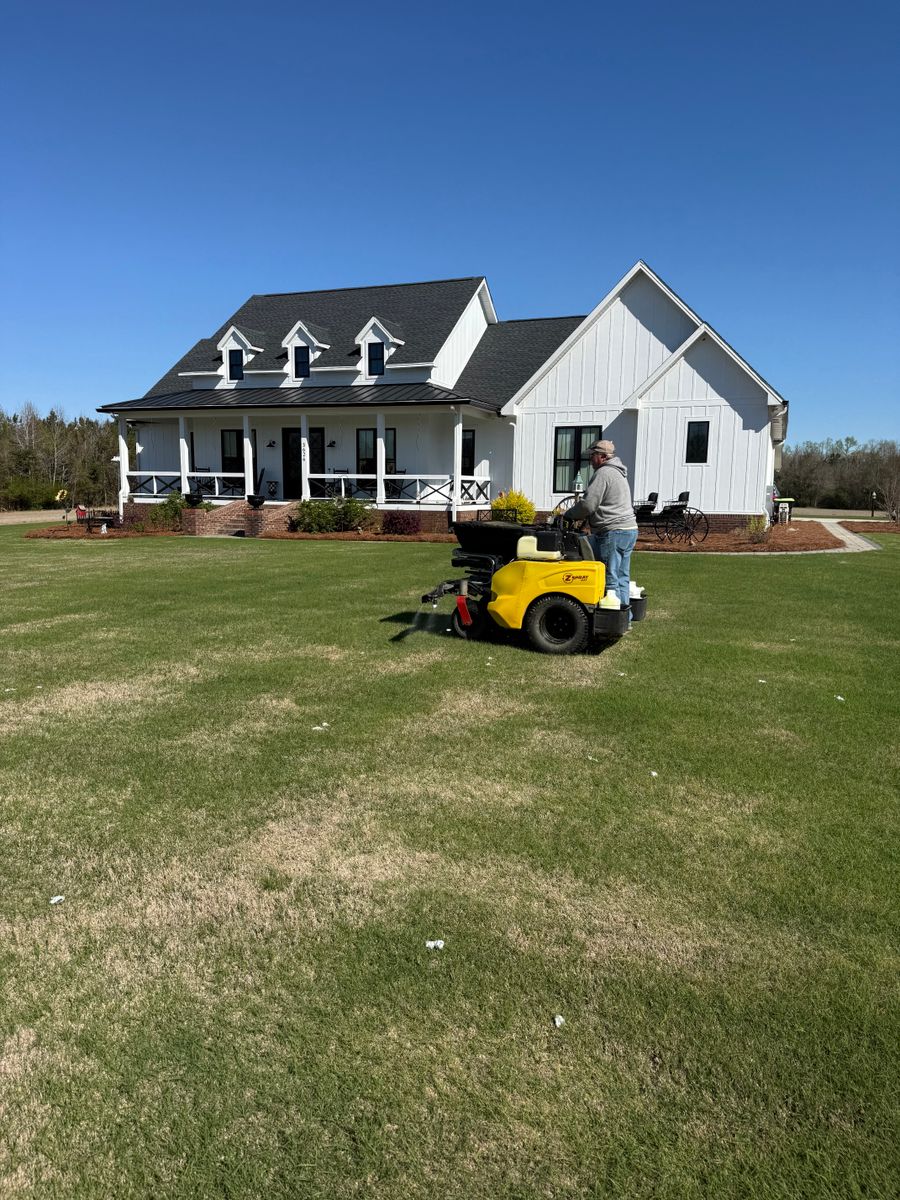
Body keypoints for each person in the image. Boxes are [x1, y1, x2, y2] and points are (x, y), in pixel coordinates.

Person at [563, 439, 638, 621]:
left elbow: (588, 505)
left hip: (613, 531)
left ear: (603, 457)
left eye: (593, 455)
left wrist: (568, 514)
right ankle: (625, 618)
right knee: (622, 576)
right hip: (629, 529)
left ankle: (614, 621)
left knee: (610, 578)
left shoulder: (604, 473)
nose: (591, 459)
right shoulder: (619, 472)